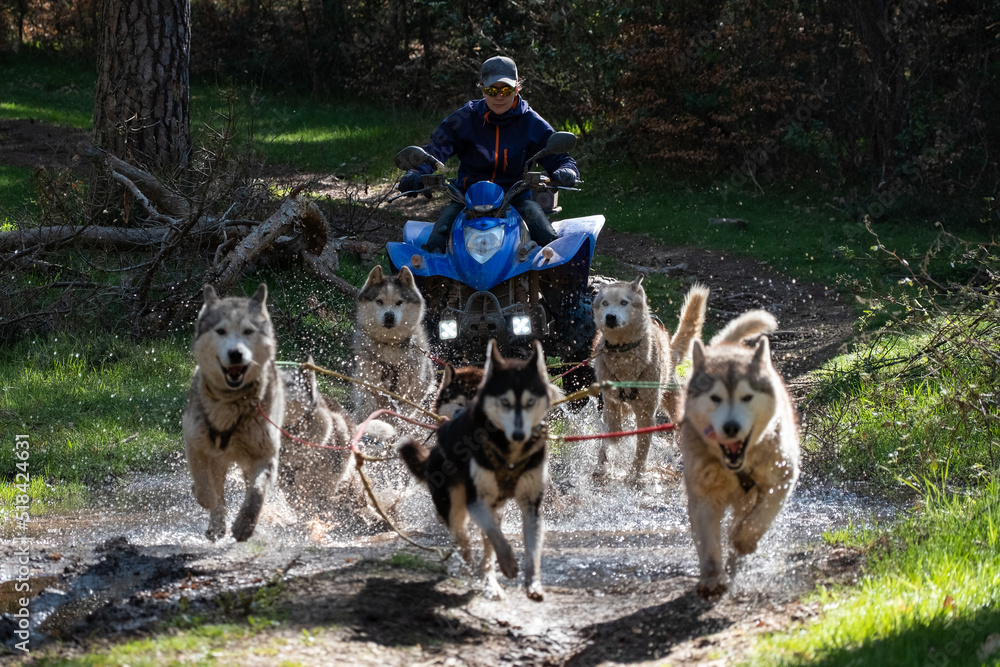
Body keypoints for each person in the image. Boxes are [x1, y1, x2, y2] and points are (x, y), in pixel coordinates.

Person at [398, 55, 580, 254]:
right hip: (465, 199)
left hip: (516, 199)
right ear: (482, 89)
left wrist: (567, 170)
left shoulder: (532, 122)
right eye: (492, 90)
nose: (499, 96)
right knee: (435, 245)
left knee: (550, 244)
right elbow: (435, 151)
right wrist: (415, 172)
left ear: (517, 88)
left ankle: (560, 275)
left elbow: (558, 157)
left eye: (506, 90)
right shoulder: (464, 118)